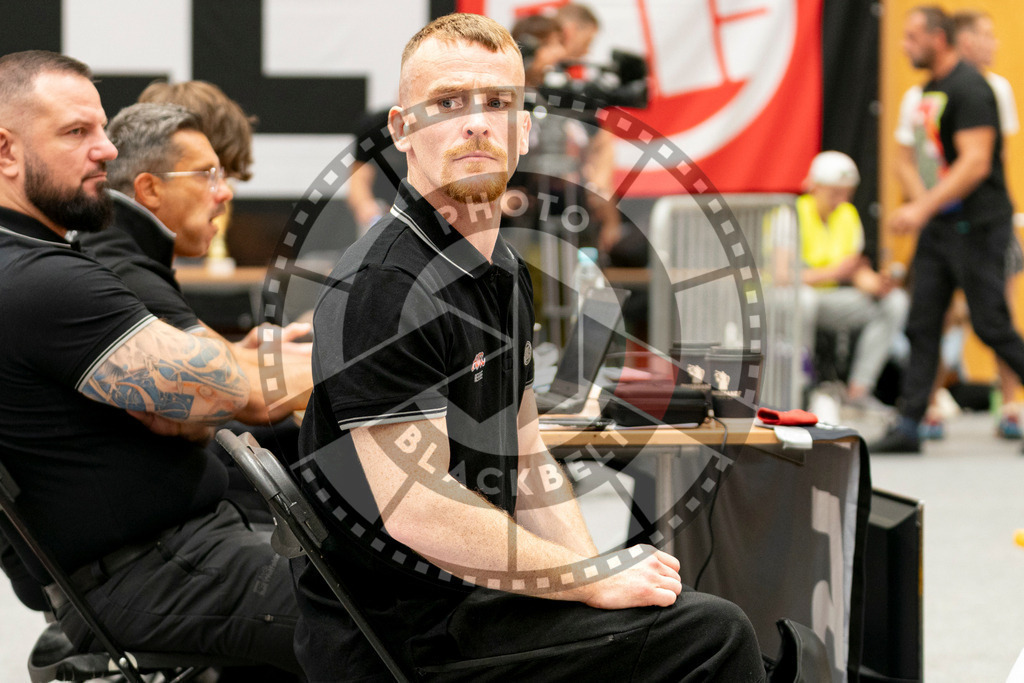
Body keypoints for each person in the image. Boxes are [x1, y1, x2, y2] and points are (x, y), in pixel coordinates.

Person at [290, 13, 764, 682]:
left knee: (666, 609)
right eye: (449, 103)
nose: (477, 122)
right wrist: (586, 580)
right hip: (400, 634)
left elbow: (527, 448)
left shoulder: (502, 268)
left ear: (524, 130)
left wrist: (599, 581)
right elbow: (418, 507)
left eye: (498, 104)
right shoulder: (386, 284)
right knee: (711, 637)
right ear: (401, 130)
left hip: (473, 598)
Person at [0, 50, 301, 674]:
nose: (107, 151)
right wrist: (381, 355)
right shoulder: (37, 280)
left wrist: (195, 397)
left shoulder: (40, 262)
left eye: (103, 130)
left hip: (176, 558)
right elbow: (234, 394)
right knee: (410, 617)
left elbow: (201, 398)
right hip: (162, 570)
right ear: (5, 152)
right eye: (76, 132)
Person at [80, 102, 312, 425]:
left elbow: (220, 366)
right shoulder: (120, 267)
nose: (226, 193)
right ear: (149, 188)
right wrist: (361, 366)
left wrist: (238, 355)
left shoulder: (119, 249)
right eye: (208, 175)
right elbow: (253, 396)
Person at [872, 6, 1022, 454]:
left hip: (979, 227)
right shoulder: (930, 90)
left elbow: (976, 163)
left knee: (991, 324)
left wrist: (921, 208)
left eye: (913, 36)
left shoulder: (972, 88)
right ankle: (910, 424)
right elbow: (914, 159)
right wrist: (925, 207)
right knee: (922, 324)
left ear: (939, 38)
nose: (905, 45)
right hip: (940, 228)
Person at [798, 151, 909, 407]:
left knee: (895, 302)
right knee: (804, 301)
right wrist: (835, 272)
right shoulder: (791, 213)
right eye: (834, 192)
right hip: (789, 300)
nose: (841, 200)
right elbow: (782, 277)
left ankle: (859, 390)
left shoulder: (847, 215)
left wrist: (877, 285)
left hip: (831, 300)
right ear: (815, 187)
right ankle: (801, 384)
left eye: (847, 193)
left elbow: (856, 270)